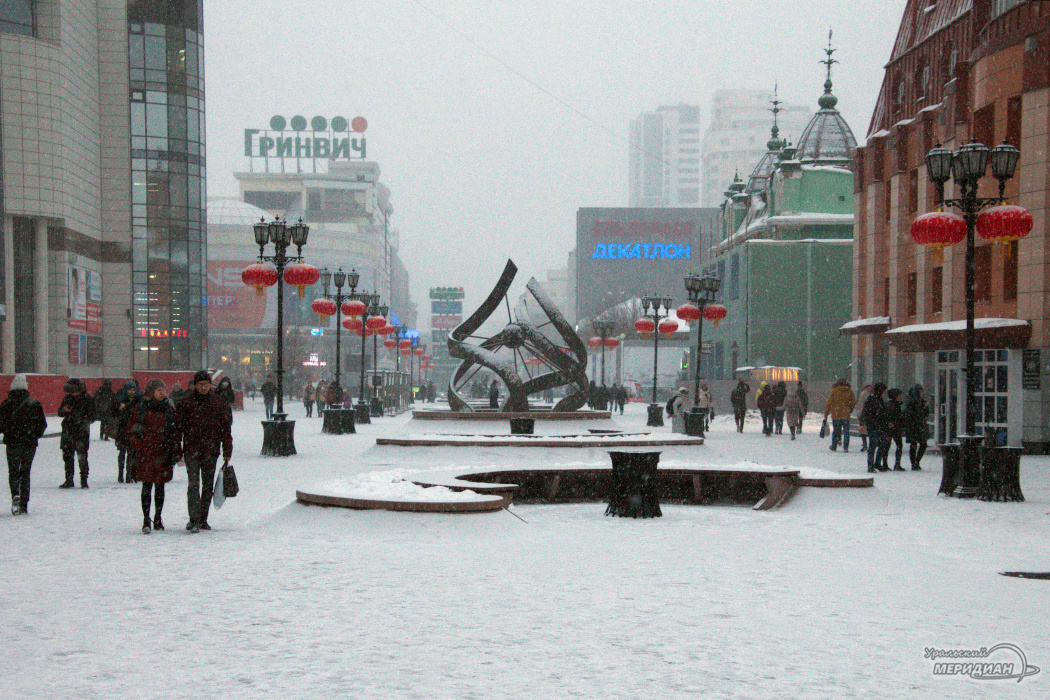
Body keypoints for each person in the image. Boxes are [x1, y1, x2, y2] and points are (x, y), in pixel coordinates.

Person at [175, 370, 233, 533]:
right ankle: (194, 519)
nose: (203, 387)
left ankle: (202, 519)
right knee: (193, 485)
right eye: (200, 384)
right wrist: (178, 449)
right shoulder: (186, 402)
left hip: (210, 450)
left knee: (207, 486)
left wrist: (227, 449)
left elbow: (225, 428)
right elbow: (177, 428)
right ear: (195, 385)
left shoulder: (218, 402)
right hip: (192, 449)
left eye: (206, 384)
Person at [129, 379, 180, 534]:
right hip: (146, 453)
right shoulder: (141, 409)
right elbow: (132, 430)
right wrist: (139, 446)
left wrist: (174, 448)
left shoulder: (169, 409)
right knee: (146, 486)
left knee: (160, 486)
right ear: (151, 392)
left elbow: (174, 431)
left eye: (163, 389)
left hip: (163, 453)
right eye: (158, 390)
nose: (162, 393)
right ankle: (146, 518)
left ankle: (158, 517)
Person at [0, 374, 47, 515]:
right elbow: (42, 425)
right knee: (25, 472)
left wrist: (10, 431)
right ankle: (24, 503)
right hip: (29, 444)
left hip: (13, 443)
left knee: (13, 472)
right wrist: (33, 435)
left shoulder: (5, 404)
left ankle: (15, 495)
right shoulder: (34, 403)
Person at [58, 378, 96, 489]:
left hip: (81, 432)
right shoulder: (67, 398)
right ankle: (69, 479)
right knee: (67, 457)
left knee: (82, 457)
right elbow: (60, 412)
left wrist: (80, 417)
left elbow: (93, 416)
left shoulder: (87, 399)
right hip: (68, 431)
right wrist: (64, 410)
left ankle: (84, 480)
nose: (73, 394)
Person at [113, 380, 142, 483]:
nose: (131, 392)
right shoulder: (120, 400)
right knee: (122, 451)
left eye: (133, 390)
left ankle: (129, 474)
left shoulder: (138, 401)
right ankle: (120, 473)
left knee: (131, 453)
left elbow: (138, 413)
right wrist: (119, 408)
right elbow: (114, 413)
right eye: (129, 390)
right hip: (123, 430)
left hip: (133, 430)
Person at [861, 382, 888, 473]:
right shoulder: (873, 400)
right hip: (874, 425)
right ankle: (871, 465)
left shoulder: (877, 399)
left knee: (881, 444)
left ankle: (875, 463)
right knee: (874, 445)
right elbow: (867, 413)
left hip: (877, 425)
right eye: (884, 391)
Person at [823, 378, 857, 452]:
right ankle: (845, 447)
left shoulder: (834, 390)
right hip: (846, 414)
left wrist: (826, 413)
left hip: (836, 414)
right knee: (846, 431)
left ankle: (834, 446)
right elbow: (853, 402)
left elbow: (829, 403)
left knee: (836, 431)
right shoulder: (849, 391)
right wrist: (849, 409)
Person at [902, 385, 930, 470]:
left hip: (919, 426)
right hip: (914, 426)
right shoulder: (912, 402)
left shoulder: (922, 402)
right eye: (921, 392)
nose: (922, 394)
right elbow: (912, 414)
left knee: (922, 444)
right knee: (914, 445)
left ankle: (916, 462)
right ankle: (914, 462)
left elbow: (926, 413)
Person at [882, 387, 905, 471]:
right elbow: (895, 417)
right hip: (893, 428)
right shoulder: (893, 406)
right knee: (897, 445)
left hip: (893, 428)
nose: (901, 397)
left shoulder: (892, 405)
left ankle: (886, 463)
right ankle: (896, 463)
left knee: (888, 446)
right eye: (899, 395)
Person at [855, 384, 873, 452]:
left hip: (865, 414)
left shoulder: (866, 394)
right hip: (865, 414)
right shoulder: (864, 394)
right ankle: (865, 445)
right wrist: (860, 413)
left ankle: (865, 445)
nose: (870, 389)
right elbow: (861, 404)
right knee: (864, 430)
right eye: (869, 388)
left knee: (864, 431)